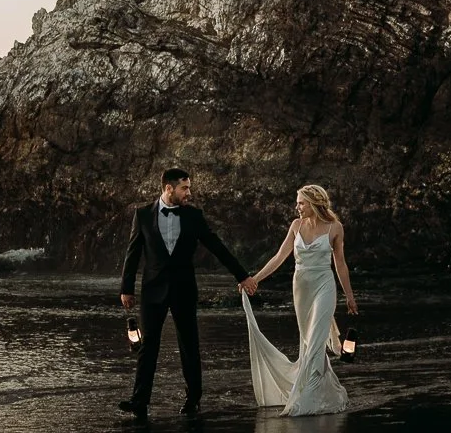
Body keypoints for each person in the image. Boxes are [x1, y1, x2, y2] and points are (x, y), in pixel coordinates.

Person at [118, 168, 255, 418]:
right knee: (148, 346)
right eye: (185, 188)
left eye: (189, 187)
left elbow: (217, 246)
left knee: (189, 345)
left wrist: (242, 275)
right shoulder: (142, 215)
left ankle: (193, 399)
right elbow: (133, 252)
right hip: (152, 290)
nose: (189, 192)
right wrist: (126, 289)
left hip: (183, 288)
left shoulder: (193, 216)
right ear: (168, 188)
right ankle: (139, 402)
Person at [240, 184, 357, 416]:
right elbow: (280, 256)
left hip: (325, 286)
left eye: (301, 203)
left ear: (314, 203)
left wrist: (350, 296)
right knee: (308, 343)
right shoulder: (296, 225)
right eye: (297, 203)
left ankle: (306, 400)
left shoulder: (335, 228)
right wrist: (254, 279)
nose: (297, 207)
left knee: (315, 340)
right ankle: (324, 394)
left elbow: (340, 264)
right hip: (301, 289)